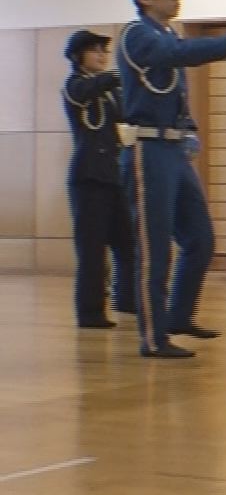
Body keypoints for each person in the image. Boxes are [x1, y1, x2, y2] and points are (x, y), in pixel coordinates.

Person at [118, 0, 226, 358]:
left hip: (173, 149)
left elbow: (176, 92)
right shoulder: (137, 34)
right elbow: (176, 57)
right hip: (148, 149)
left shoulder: (167, 34)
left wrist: (190, 130)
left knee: (200, 239)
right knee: (154, 249)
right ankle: (153, 338)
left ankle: (178, 316)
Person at [61, 30, 135, 329]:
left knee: (127, 243)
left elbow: (128, 114)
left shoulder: (108, 91)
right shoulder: (74, 85)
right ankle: (90, 313)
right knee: (92, 250)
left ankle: (127, 299)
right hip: (88, 178)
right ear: (78, 56)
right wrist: (119, 75)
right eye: (95, 50)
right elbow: (85, 91)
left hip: (112, 176)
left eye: (104, 51)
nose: (102, 56)